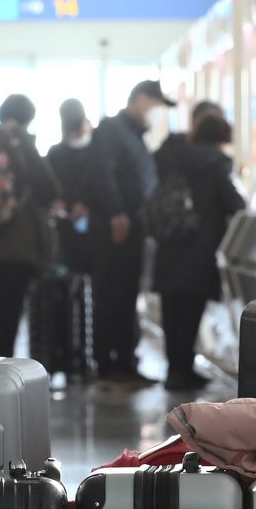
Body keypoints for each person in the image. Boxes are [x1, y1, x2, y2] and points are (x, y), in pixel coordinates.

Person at [82, 80, 174, 385]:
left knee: (126, 296)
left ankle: (125, 360)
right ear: (140, 99)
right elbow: (101, 172)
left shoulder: (134, 137)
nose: (156, 114)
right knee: (111, 295)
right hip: (115, 228)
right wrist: (116, 213)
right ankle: (109, 364)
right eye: (155, 106)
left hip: (134, 227)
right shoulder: (112, 130)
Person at [0, 94, 60, 358]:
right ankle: (4, 365)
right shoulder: (22, 145)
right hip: (19, 242)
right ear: (28, 118)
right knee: (11, 306)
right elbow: (49, 188)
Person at [152, 114, 243, 391]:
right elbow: (236, 204)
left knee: (172, 311)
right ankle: (182, 370)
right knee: (190, 311)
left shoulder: (169, 158)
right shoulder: (215, 165)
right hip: (199, 249)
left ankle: (175, 369)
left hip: (168, 244)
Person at [45, 98, 95, 276]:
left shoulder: (98, 149)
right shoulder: (55, 153)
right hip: (66, 222)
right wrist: (56, 203)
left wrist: (88, 205)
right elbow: (48, 185)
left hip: (95, 221)